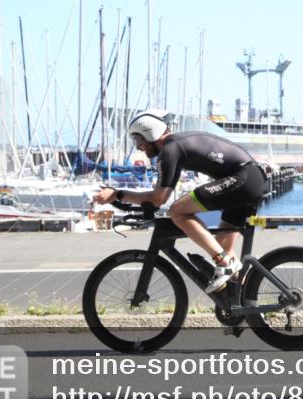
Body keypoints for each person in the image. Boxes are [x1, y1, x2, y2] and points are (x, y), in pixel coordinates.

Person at [93, 110, 269, 294]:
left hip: (244, 179)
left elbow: (158, 199)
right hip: (250, 178)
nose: (138, 147)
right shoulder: (175, 147)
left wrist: (118, 194)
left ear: (150, 134)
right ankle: (246, 303)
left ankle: (224, 262)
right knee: (223, 245)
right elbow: (160, 196)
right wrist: (126, 197)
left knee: (177, 211)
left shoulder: (170, 149)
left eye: (139, 141)